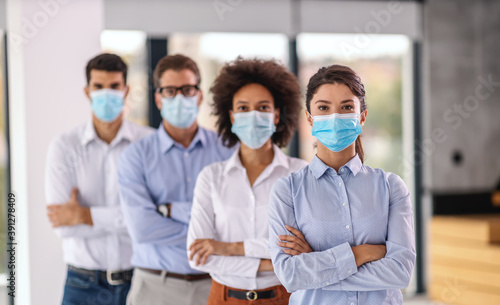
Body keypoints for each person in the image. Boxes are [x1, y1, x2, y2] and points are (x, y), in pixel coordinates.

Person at [268, 64, 416, 304]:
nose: (335, 116)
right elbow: (291, 275)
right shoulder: (288, 191)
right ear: (309, 118)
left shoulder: (391, 187)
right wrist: (364, 253)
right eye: (323, 108)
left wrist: (317, 262)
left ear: (362, 117)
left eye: (347, 107)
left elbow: (400, 272)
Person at [187, 58, 307, 305]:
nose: (253, 115)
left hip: (284, 298)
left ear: (276, 115)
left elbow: (306, 254)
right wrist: (272, 261)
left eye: (263, 107)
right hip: (223, 298)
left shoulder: (300, 175)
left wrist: (229, 248)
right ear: (231, 116)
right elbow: (199, 256)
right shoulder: (211, 177)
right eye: (243, 108)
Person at [117, 54, 235, 305]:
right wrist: (209, 234)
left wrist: (170, 210)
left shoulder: (227, 150)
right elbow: (143, 229)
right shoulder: (135, 156)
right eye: (170, 91)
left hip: (215, 286)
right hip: (154, 288)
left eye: (187, 89)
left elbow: (236, 221)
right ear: (158, 98)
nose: (179, 97)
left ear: (199, 95)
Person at [45, 53, 154, 305]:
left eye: (114, 86)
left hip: (141, 282)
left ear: (126, 90)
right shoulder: (64, 146)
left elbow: (151, 219)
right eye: (99, 86)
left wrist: (85, 215)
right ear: (87, 91)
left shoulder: (148, 143)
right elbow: (64, 226)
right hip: (82, 285)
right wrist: (128, 216)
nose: (107, 93)